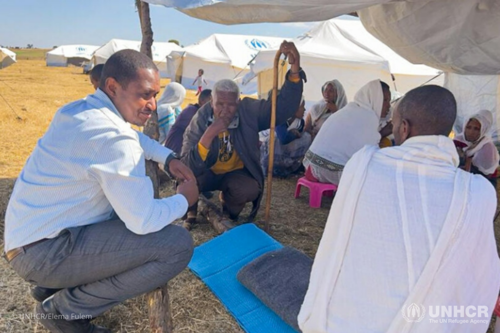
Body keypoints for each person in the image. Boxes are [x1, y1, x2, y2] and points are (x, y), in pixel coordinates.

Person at [3, 49, 199, 333]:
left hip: (28, 240)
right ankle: (64, 311)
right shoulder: (113, 139)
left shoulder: (78, 111)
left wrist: (167, 157)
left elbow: (129, 135)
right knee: (176, 245)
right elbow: (143, 220)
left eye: (155, 94)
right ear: (112, 87)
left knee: (118, 210)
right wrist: (184, 200)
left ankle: (50, 287)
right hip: (45, 253)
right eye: (144, 94)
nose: (153, 104)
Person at [298, 85, 500, 333]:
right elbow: (481, 281)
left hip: (335, 324)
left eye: (393, 124)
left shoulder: (363, 163)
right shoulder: (478, 194)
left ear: (404, 128)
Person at [181, 41, 305, 230]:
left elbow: (281, 110)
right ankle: (191, 210)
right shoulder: (200, 119)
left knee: (248, 188)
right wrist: (208, 135)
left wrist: (294, 71)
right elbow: (186, 164)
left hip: (235, 173)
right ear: (211, 103)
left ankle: (228, 212)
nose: (225, 110)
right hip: (207, 171)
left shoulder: (248, 111)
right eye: (219, 104)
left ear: (238, 102)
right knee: (185, 182)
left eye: (230, 104)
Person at [303, 80, 391, 185]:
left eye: (389, 101)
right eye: (384, 100)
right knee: (375, 174)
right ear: (375, 99)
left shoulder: (351, 108)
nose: (388, 105)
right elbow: (369, 153)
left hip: (310, 165)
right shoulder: (368, 117)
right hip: (325, 171)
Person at [260, 96, 311, 177]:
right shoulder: (280, 118)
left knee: (307, 137)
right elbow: (283, 138)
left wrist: (292, 134)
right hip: (266, 146)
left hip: (284, 149)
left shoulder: (300, 122)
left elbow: (299, 134)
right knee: (276, 139)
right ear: (295, 108)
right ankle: (271, 167)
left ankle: (288, 166)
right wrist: (293, 134)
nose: (304, 109)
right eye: (302, 107)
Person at [454, 109, 499, 187]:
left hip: (484, 183)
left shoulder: (487, 147)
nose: (471, 132)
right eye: (468, 127)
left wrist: (467, 164)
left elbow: (487, 176)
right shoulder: (458, 140)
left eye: (476, 129)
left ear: (483, 130)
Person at [165, 89, 212, 155]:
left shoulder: (200, 113)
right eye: (211, 101)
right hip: (175, 153)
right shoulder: (192, 112)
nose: (213, 105)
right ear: (202, 101)